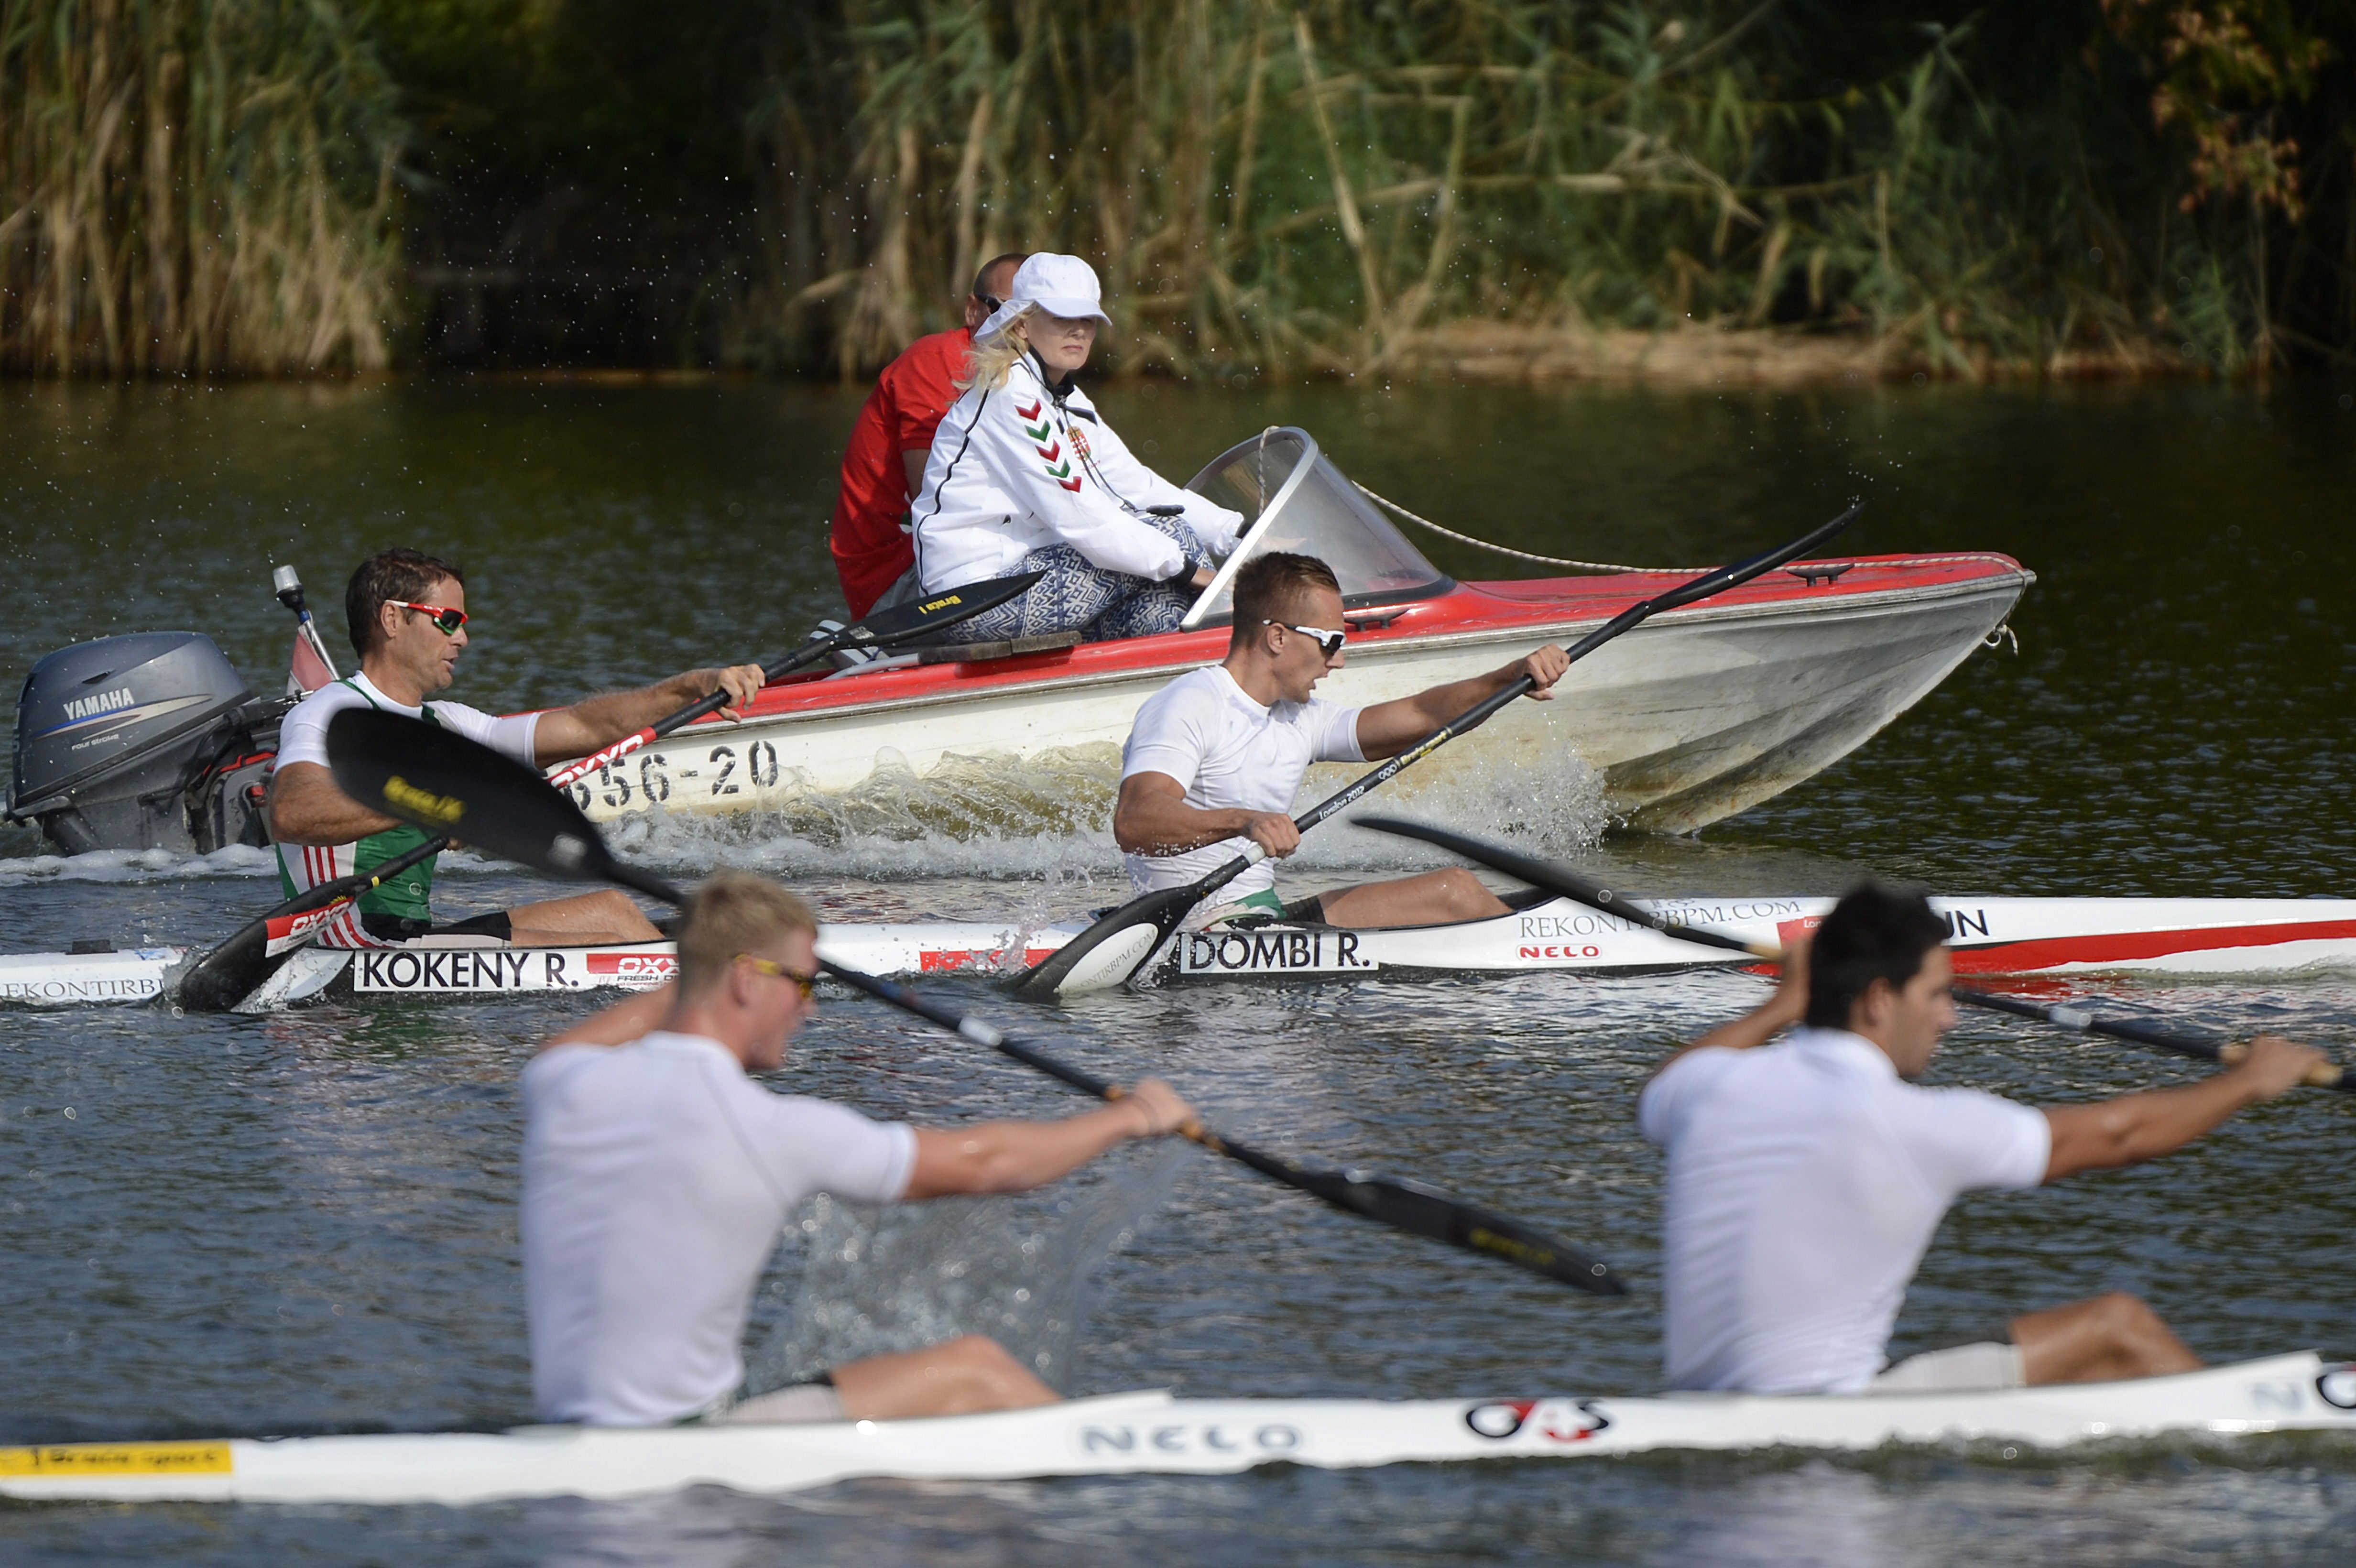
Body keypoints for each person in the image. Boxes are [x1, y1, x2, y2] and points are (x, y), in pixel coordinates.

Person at [522, 869, 1195, 1426]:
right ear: (747, 981)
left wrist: (703, 967)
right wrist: (1130, 1118)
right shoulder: (765, 1128)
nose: (810, 1009)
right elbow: (988, 1165)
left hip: (577, 1427)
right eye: (803, 984)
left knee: (961, 1378)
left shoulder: (561, 1079)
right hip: (683, 1453)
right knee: (978, 1372)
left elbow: (606, 1032)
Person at [1639, 880, 2327, 1395]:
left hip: (1704, 1404)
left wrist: (1783, 1004)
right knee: (2117, 1330)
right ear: (1880, 1000)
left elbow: (1666, 1082)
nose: (1950, 1019)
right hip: (1831, 1418)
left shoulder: (1710, 1091)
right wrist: (2250, 1083)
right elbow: (2122, 1137)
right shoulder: (1908, 1122)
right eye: (1938, 995)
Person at [266, 547, 766, 949]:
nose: (462, 637)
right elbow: (293, 813)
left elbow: (582, 725)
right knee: (623, 947)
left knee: (616, 911)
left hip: (406, 938)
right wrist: (441, 801)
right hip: (349, 943)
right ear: (393, 620)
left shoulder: (448, 723)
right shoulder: (330, 714)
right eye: (447, 620)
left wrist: (696, 685)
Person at [1113, 552, 1572, 929]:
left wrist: (1509, 678)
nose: (1338, 661)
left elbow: (1423, 714)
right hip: (1194, 929)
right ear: (1277, 637)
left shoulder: (1298, 719)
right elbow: (1135, 822)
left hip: (1259, 917)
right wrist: (1245, 822)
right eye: (1331, 641)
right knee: (1456, 896)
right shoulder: (1190, 704)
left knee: (1457, 888)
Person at [910, 252, 1246, 642]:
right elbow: (1080, 516)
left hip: (1030, 570)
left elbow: (1136, 485)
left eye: (1086, 320)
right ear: (1022, 326)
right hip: (971, 596)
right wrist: (1200, 575)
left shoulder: (1070, 400)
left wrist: (1240, 534)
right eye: (1061, 318)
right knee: (1172, 541)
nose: (1078, 331)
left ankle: (1186, 675)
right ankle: (1240, 646)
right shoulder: (1009, 394)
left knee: (1162, 602)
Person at [829, 251, 1028, 618]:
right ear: (974, 311)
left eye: (1035, 316)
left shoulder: (1034, 380)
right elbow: (938, 502)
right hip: (897, 578)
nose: (1019, 328)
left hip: (965, 559)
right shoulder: (938, 359)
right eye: (1005, 311)